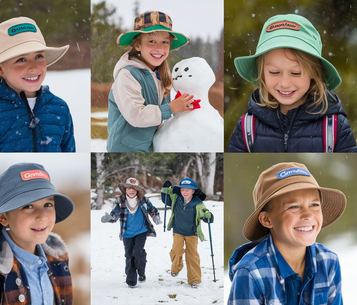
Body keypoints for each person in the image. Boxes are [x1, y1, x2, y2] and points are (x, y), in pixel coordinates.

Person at [227, 14, 357, 152]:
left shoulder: (335, 128)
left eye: (296, 73)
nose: (284, 83)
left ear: (314, 72)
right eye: (274, 72)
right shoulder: (247, 128)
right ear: (262, 73)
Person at [228, 162, 345, 304]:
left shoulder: (328, 261)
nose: (308, 215)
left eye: (314, 205)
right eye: (294, 207)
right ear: (266, 219)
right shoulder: (251, 272)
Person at [0, 163, 74, 304]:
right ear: (3, 218)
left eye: (48, 205)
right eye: (29, 206)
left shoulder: (58, 256)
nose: (43, 216)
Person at [0, 17, 76, 152]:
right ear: (0, 69)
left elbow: (68, 154)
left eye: (39, 56)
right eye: (21, 59)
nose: (33, 68)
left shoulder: (60, 109)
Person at [106, 11, 195, 152]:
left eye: (164, 42)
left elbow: (160, 120)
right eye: (151, 41)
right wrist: (171, 108)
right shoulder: (127, 75)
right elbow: (136, 115)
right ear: (137, 45)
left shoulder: (162, 76)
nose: (158, 48)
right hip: (125, 148)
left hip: (149, 147)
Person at [101, 178, 162, 288]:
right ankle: (131, 280)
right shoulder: (120, 200)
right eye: (129, 188)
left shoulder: (143, 200)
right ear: (125, 189)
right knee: (129, 256)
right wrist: (109, 218)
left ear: (138, 190)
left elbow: (152, 210)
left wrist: (155, 216)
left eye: (134, 188)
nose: (131, 190)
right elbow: (115, 214)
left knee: (138, 252)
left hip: (141, 231)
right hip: (127, 233)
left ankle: (141, 272)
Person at [161, 178, 212, 288]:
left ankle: (194, 279)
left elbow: (204, 212)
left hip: (192, 233)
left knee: (192, 256)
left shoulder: (198, 203)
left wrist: (208, 216)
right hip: (178, 231)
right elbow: (165, 199)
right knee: (176, 250)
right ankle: (176, 268)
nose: (185, 192)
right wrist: (165, 188)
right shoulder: (176, 198)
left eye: (187, 190)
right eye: (183, 190)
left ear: (193, 191)